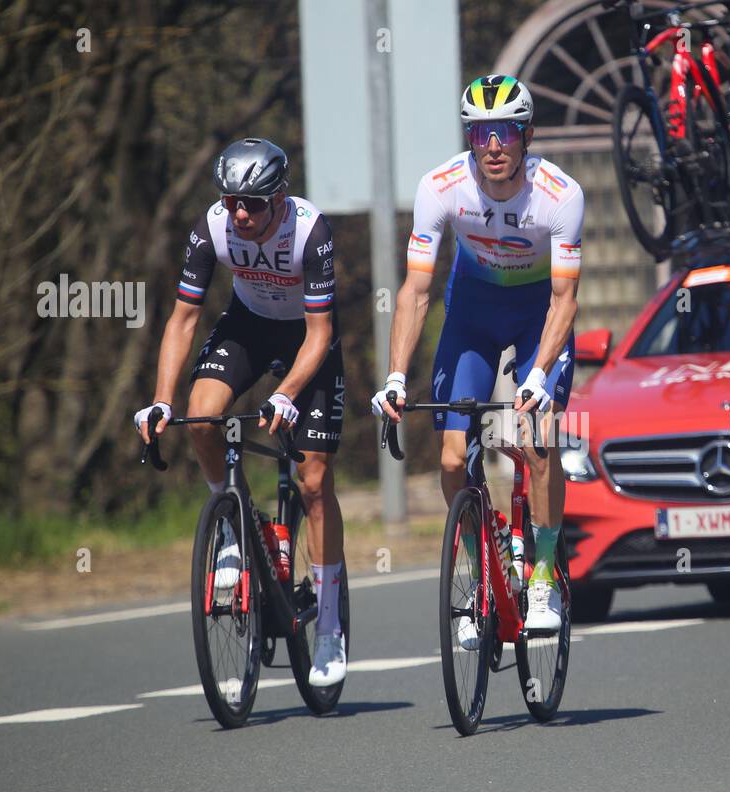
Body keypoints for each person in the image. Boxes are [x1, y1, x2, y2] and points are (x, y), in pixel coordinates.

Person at [372, 75, 584, 645]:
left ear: (527, 135)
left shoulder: (560, 195)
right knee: (448, 457)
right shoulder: (441, 187)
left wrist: (538, 374)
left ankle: (542, 577)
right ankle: (479, 570)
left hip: (539, 314)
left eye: (506, 132)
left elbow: (565, 300)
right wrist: (394, 377)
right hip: (471, 313)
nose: (493, 144)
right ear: (470, 137)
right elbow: (415, 291)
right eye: (481, 132)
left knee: (537, 439)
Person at [134, 138, 349, 687]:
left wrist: (286, 393)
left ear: (280, 197)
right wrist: (161, 398)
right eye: (232, 201)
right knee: (201, 418)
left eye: (252, 203)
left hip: (307, 337)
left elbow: (321, 332)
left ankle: (327, 625)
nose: (241, 214)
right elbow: (183, 320)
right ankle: (230, 529)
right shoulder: (213, 228)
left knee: (314, 480)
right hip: (248, 325)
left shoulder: (311, 231)